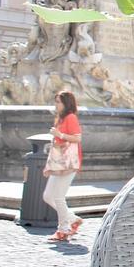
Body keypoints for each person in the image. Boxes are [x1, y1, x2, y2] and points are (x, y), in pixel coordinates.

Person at [42, 91, 83, 242]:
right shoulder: (60, 118)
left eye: (58, 102)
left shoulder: (71, 117)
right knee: (48, 196)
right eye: (56, 101)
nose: (56, 104)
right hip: (59, 163)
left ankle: (63, 230)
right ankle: (73, 219)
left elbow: (77, 138)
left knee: (58, 197)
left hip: (68, 162)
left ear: (67, 103)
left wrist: (59, 134)